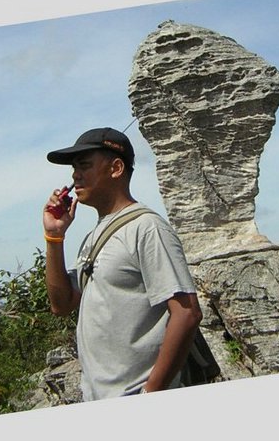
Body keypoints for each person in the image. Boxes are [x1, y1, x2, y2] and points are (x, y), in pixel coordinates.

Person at [43, 127, 202, 401]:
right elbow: (61, 305)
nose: (75, 175)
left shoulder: (147, 228)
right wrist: (54, 236)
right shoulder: (93, 237)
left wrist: (151, 390)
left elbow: (187, 313)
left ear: (116, 168)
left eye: (84, 165)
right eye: (73, 168)